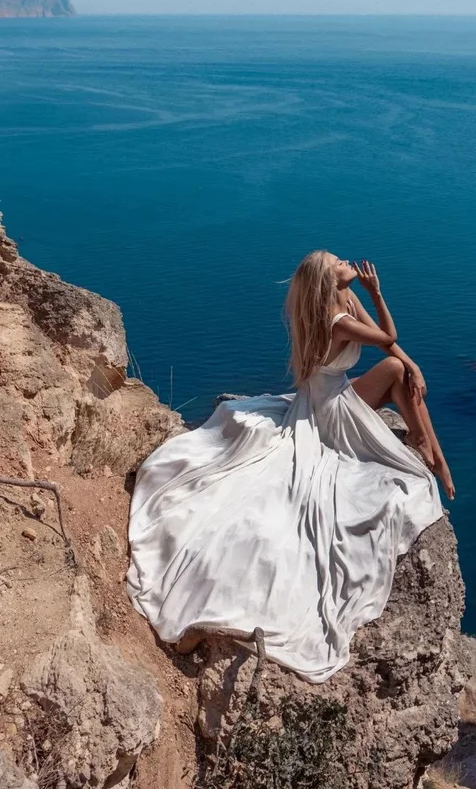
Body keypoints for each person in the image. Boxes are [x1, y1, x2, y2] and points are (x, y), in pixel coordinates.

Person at [126, 251, 455, 683]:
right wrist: (377, 294)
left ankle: (432, 452)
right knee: (395, 372)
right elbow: (387, 333)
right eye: (335, 260)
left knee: (401, 371)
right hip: (327, 411)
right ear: (327, 276)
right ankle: (434, 458)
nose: (344, 259)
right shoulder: (337, 319)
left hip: (332, 395)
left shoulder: (341, 301)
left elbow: (390, 345)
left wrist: (412, 363)